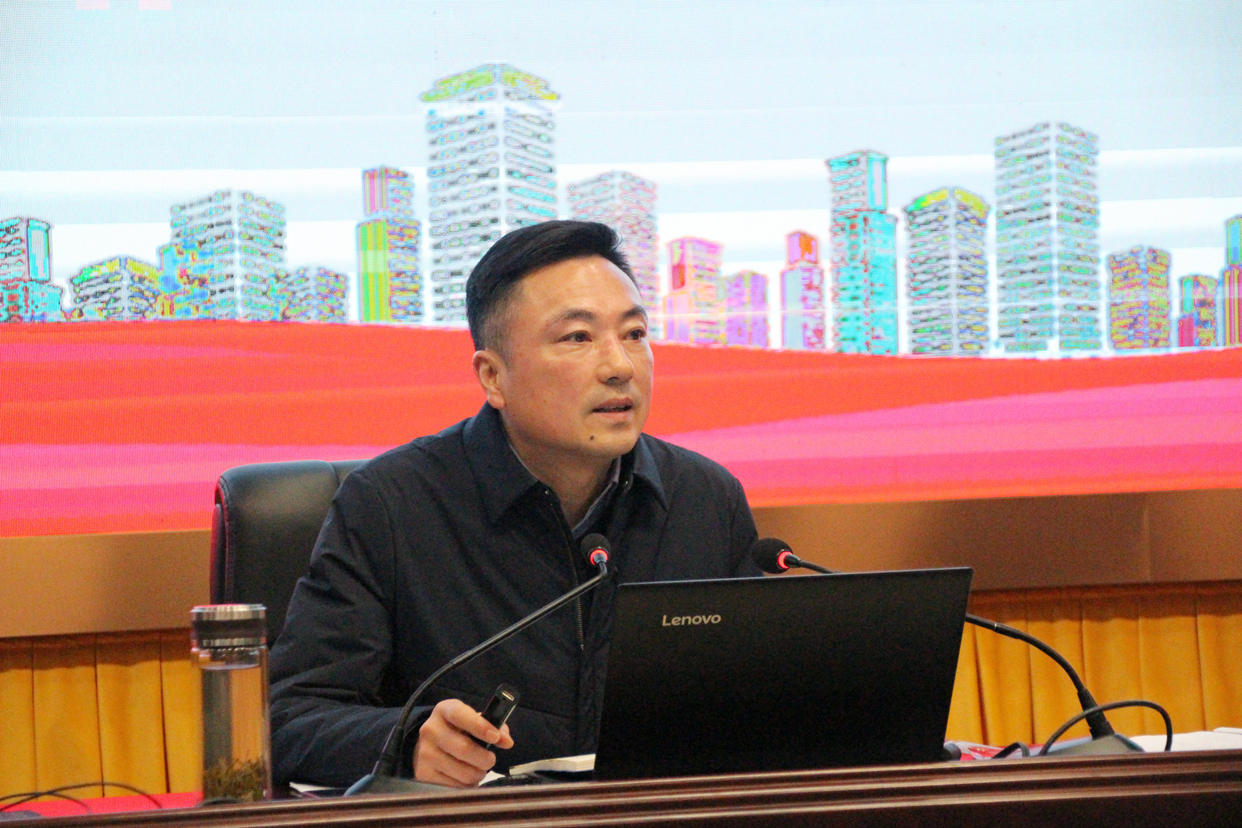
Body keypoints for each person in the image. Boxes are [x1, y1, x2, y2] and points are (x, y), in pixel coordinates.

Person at [268, 220, 760, 789]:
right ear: (493, 377)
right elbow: (290, 719)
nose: (620, 366)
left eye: (634, 333)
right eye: (578, 337)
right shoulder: (391, 506)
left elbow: (760, 700)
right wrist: (409, 741)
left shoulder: (706, 500)